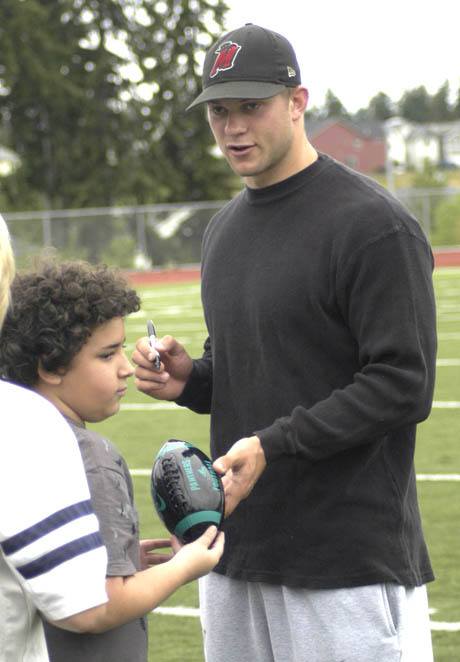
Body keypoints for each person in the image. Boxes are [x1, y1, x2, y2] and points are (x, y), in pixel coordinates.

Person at [132, 23, 437, 662]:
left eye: (252, 106)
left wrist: (275, 445)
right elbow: (250, 366)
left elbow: (402, 384)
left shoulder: (373, 225)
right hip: (235, 549)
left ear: (297, 103)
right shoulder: (223, 231)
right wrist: (193, 379)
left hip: (344, 562)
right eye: (220, 111)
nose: (234, 127)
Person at [0, 255, 224, 662]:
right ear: (49, 365)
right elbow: (96, 605)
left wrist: (101, 557)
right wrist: (184, 567)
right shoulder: (88, 456)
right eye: (107, 355)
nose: (126, 368)